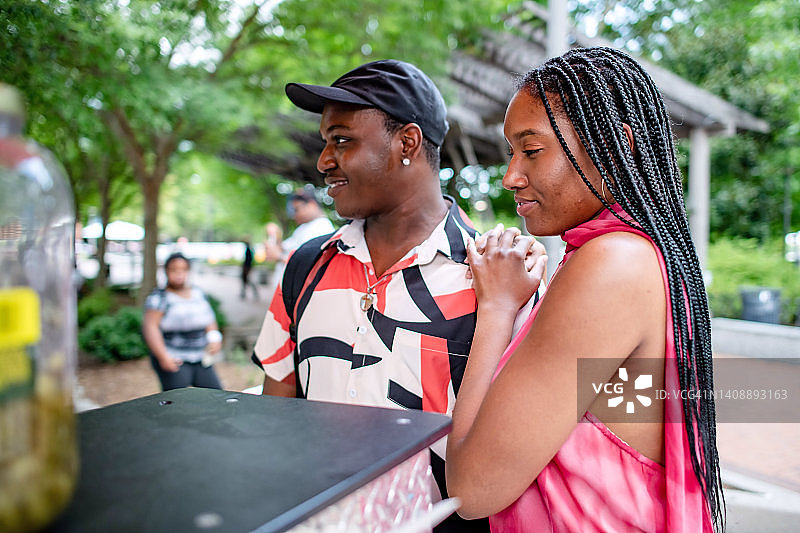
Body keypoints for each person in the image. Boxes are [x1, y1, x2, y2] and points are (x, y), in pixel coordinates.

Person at [445, 47, 722, 532]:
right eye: (511, 152)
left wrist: (498, 307)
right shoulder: (633, 254)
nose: (511, 177)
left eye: (532, 150)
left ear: (617, 147)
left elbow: (471, 488)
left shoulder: (613, 263)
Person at [251, 59, 530, 533]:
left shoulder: (498, 281)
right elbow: (276, 422)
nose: (323, 161)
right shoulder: (305, 267)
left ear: (408, 143)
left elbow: (515, 454)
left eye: (342, 140)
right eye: (325, 142)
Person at [143, 252, 224, 391]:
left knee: (216, 394)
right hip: (175, 357)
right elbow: (150, 327)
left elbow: (209, 319)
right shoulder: (159, 298)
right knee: (177, 398)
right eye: (174, 270)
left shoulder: (198, 293)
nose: (179, 274)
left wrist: (214, 338)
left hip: (201, 357)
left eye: (183, 269)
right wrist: (163, 357)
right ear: (166, 271)